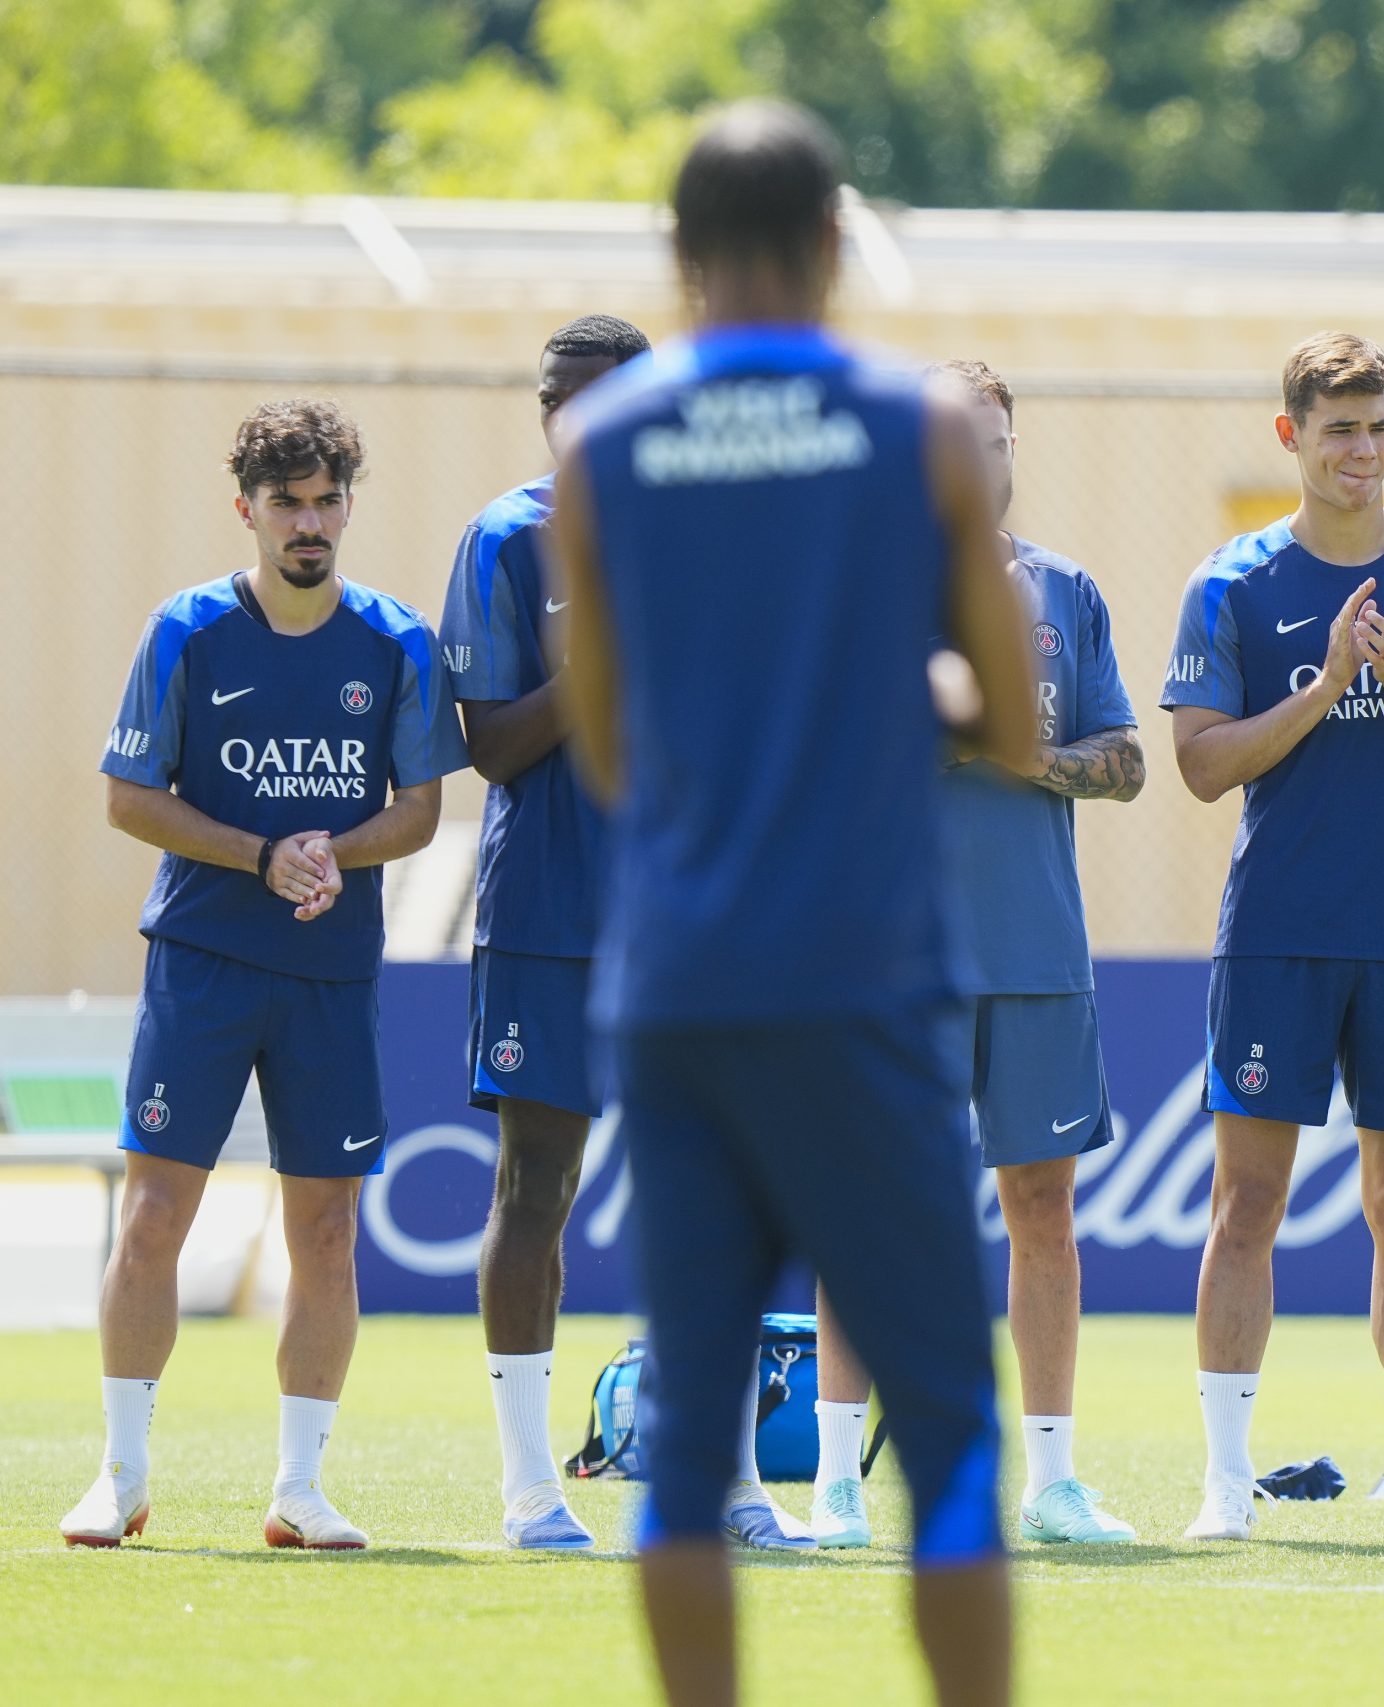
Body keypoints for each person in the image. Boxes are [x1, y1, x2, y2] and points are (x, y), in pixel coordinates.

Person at [546, 100, 1030, 1707]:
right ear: (836, 243)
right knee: (952, 1440)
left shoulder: (600, 450)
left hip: (679, 985)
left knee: (683, 1445)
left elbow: (606, 744)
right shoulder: (923, 430)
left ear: (677, 260)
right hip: (864, 979)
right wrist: (926, 685)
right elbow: (1015, 724)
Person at [65, 400, 468, 1550]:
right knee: (153, 1218)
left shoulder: (394, 642)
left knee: (327, 1234)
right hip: (201, 962)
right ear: (245, 509)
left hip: (332, 974)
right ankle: (122, 1478)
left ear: (349, 505)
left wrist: (329, 855)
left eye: (328, 498)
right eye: (286, 501)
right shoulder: (186, 632)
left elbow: (422, 811)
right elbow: (126, 796)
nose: (310, 521)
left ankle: (299, 1488)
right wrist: (261, 853)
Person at [1163, 331, 1384, 1544]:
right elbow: (1202, 766)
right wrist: (1324, 688)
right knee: (1245, 1204)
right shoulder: (1234, 582)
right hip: (1276, 933)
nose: (1360, 451)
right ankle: (1224, 1480)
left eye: (1376, 428)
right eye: (1337, 430)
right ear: (1291, 438)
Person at [807, 358, 1145, 1550]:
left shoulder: (1064, 590)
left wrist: (1018, 756)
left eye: (992, 439)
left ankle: (1049, 1484)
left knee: (1043, 1213)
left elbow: (1125, 759)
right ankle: (838, 1486)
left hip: (1036, 948)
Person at [439, 313, 653, 1553]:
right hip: (551, 909)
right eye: (550, 399)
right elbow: (493, 746)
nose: (566, 418)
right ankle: (533, 1492)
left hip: (689, 912)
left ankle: (724, 1483)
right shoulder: (505, 537)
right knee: (535, 1190)